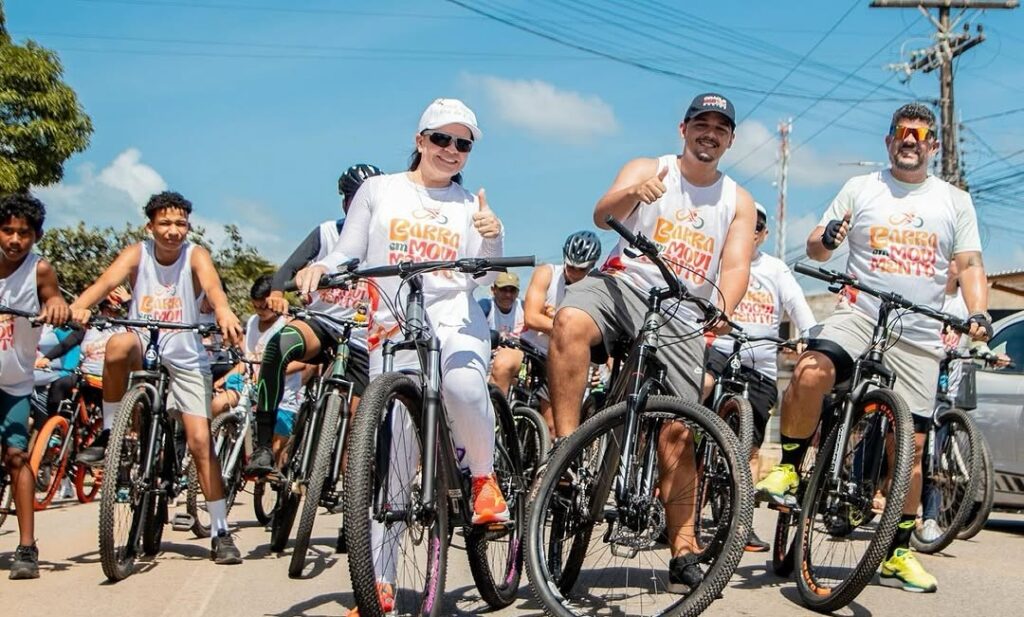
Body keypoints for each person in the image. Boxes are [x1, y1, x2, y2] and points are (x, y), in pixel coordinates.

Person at [756, 103, 991, 594]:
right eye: (901, 134)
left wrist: (979, 312)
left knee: (913, 450)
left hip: (920, 330)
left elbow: (968, 264)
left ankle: (897, 552)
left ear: (933, 145)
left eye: (920, 134)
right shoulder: (861, 188)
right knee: (810, 370)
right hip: (860, 312)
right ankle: (791, 468)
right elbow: (817, 246)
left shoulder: (953, 200)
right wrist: (827, 239)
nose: (910, 141)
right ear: (888, 142)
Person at [294, 98, 506, 616]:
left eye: (463, 144)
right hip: (393, 326)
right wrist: (320, 269)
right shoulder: (379, 190)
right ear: (420, 140)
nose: (452, 151)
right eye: (442, 139)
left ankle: (483, 478)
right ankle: (381, 587)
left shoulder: (468, 205)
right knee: (394, 466)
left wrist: (494, 237)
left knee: (461, 385)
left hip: (455, 321)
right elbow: (348, 251)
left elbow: (483, 274)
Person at [548, 92, 756, 592]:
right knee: (570, 320)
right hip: (625, 284)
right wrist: (631, 195)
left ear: (729, 139)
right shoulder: (650, 167)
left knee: (680, 432)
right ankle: (565, 451)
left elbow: (735, 266)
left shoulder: (738, 200)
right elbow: (602, 215)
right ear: (682, 129)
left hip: (683, 308)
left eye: (720, 128)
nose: (710, 133)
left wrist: (722, 307)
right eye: (700, 124)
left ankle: (682, 549)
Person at [70, 191, 245, 565]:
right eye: (164, 223)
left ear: (188, 227)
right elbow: (103, 284)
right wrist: (79, 307)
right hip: (144, 346)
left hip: (185, 356)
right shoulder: (137, 254)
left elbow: (213, 289)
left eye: (180, 224)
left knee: (200, 442)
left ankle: (220, 530)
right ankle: (111, 434)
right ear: (149, 226)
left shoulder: (195, 255)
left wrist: (225, 312)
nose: (172, 231)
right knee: (117, 345)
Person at [244, 164, 383, 477]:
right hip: (322, 325)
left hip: (363, 337)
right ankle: (265, 445)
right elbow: (286, 270)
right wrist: (278, 292)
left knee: (360, 429)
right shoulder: (327, 232)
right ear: (345, 203)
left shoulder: (387, 240)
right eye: (356, 199)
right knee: (278, 346)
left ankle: (354, 510)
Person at [702, 202, 816, 552]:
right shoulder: (717, 260)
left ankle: (740, 524)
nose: (751, 231)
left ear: (763, 234)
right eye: (746, 223)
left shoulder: (777, 270)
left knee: (749, 449)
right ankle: (680, 508)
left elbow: (801, 309)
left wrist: (810, 336)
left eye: (758, 226)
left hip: (760, 368)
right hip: (717, 350)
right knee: (697, 398)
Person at [0, 193, 71, 579]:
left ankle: (26, 547)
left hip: (14, 382)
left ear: (36, 236)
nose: (14, 239)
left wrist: (57, 306)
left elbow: (54, 298)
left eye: (23, 233)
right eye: (7, 231)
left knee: (16, 456)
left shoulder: (39, 270)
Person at [214, 275, 307, 462]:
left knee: (276, 451)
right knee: (217, 404)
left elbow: (302, 363)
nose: (260, 311)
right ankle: (226, 449)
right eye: (255, 306)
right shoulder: (252, 322)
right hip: (250, 386)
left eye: (264, 306)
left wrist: (271, 369)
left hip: (283, 395)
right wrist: (224, 379)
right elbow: (249, 360)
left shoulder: (289, 325)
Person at [520, 229, 602, 435]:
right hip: (536, 351)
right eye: (570, 266)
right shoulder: (547, 272)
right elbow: (531, 317)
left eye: (580, 269)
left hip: (571, 357)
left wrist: (551, 320)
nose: (573, 272)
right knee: (552, 425)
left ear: (592, 266)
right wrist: (563, 327)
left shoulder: (597, 286)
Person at [480, 271, 525, 395]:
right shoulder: (485, 306)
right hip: (489, 363)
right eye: (504, 290)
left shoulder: (524, 308)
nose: (508, 295)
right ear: (493, 290)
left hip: (518, 364)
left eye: (512, 290)